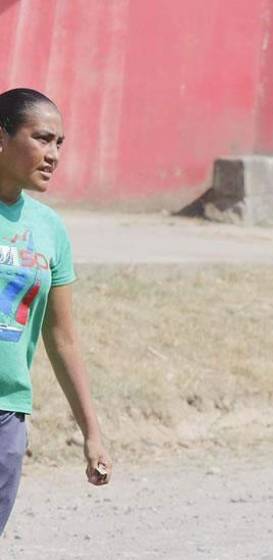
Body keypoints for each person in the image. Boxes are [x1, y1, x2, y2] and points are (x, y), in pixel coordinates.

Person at [0, 88, 110, 536]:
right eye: (42, 139)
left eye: (59, 143)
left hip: (7, 415)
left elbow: (62, 337)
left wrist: (92, 431)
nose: (54, 155)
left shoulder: (49, 229)